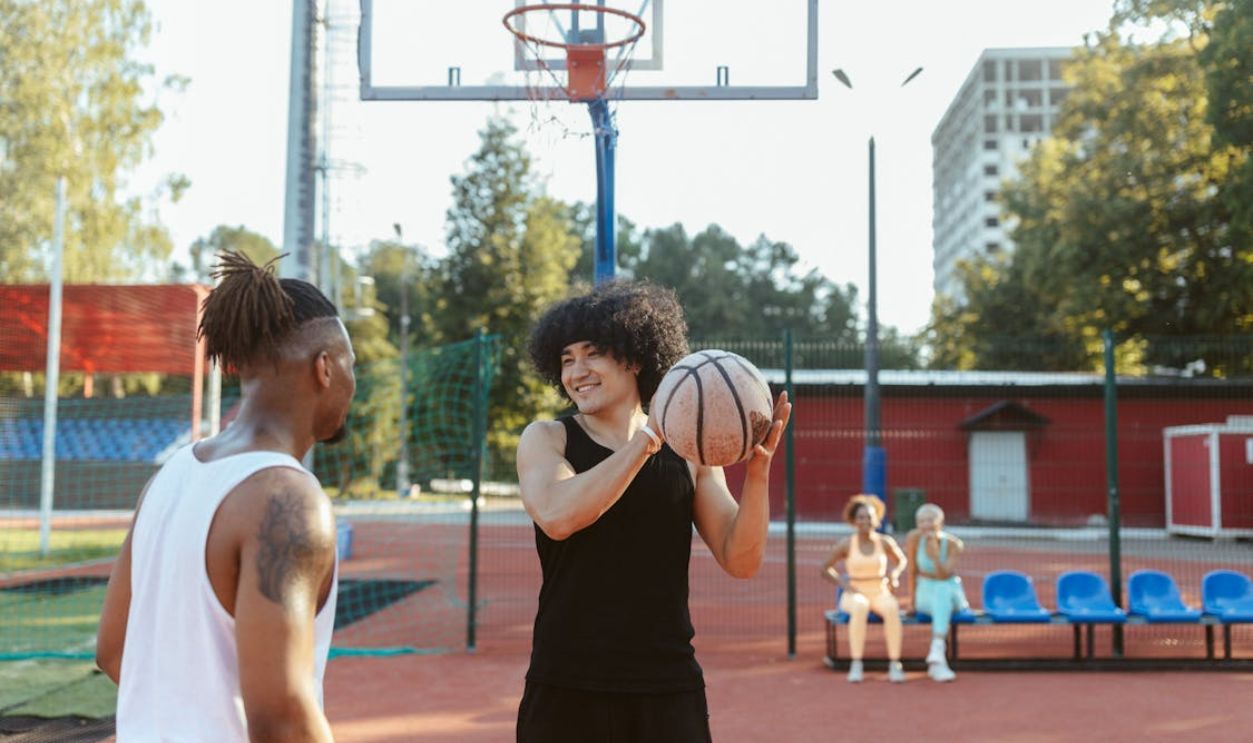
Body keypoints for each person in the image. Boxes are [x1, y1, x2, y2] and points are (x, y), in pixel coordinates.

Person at [515, 280, 791, 743]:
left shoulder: (687, 450)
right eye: (567, 359)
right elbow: (558, 516)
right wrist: (647, 440)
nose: (577, 372)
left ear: (635, 358)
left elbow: (740, 559)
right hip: (568, 680)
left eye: (592, 354)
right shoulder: (547, 439)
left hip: (667, 682)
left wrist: (758, 472)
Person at [96, 251, 356, 742]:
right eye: (350, 365)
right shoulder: (288, 500)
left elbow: (113, 649)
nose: (352, 383)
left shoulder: (171, 475)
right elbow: (281, 718)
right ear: (324, 367)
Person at [821, 494, 908, 683]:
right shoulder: (846, 544)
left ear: (876, 519)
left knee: (892, 607)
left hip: (879, 591)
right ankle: (856, 663)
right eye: (861, 517)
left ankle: (895, 663)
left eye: (869, 517)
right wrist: (844, 584)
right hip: (855, 592)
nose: (865, 521)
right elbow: (825, 568)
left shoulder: (884, 542)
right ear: (854, 520)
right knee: (860, 606)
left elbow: (901, 560)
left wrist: (894, 574)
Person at [903, 502, 968, 683]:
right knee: (940, 597)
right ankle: (938, 656)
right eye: (921, 521)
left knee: (942, 590)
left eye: (930, 520)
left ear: (941, 522)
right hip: (925, 590)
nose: (926, 525)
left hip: (951, 591)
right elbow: (912, 572)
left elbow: (943, 575)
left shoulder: (954, 544)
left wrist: (935, 555)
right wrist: (911, 602)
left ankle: (937, 648)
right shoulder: (914, 538)